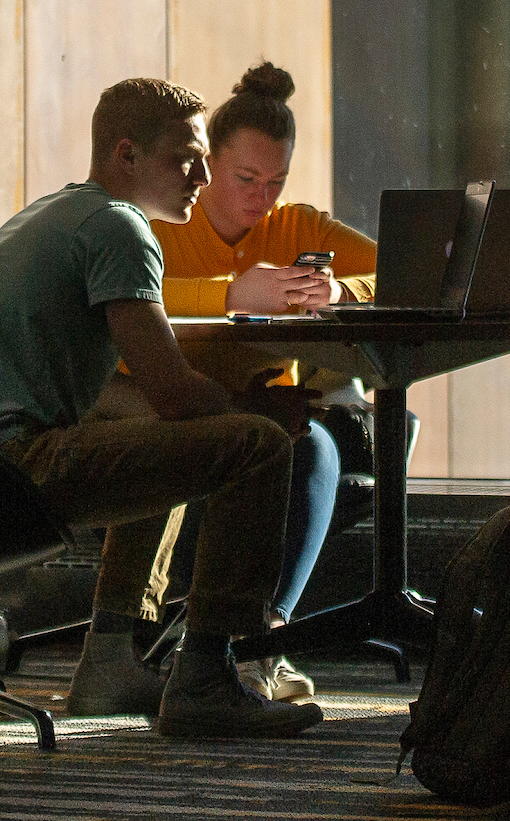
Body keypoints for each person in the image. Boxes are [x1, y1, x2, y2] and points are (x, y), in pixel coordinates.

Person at [0, 78, 325, 738]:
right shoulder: (120, 228)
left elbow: (153, 394)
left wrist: (225, 400)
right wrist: (256, 409)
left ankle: (107, 662)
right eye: (184, 157)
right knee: (259, 445)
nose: (201, 172)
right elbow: (176, 391)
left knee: (158, 427)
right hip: (8, 471)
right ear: (126, 155)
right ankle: (206, 677)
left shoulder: (60, 213)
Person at [148, 62, 377, 703]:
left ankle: (261, 639)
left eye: (274, 182)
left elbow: (403, 274)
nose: (260, 198)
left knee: (311, 446)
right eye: (246, 178)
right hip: (184, 407)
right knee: (272, 444)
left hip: (274, 412)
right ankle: (221, 637)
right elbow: (134, 297)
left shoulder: (296, 228)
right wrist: (230, 293)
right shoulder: (166, 223)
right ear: (206, 164)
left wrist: (341, 292)